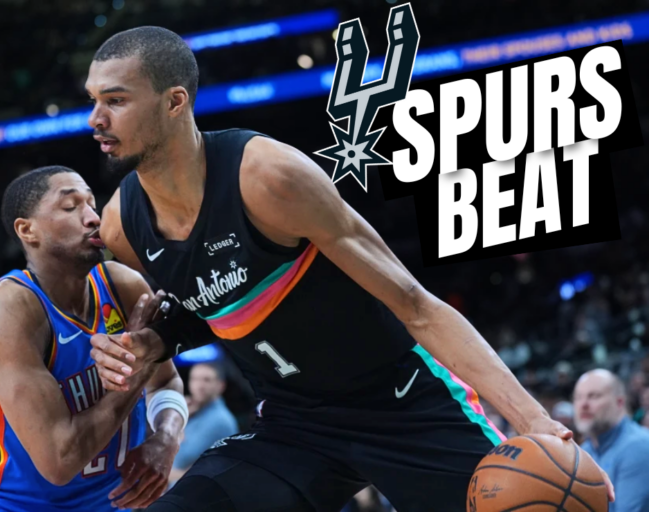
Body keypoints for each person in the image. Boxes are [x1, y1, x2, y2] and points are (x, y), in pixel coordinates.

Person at [84, 27, 614, 512]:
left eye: (116, 101)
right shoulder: (121, 226)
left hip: (402, 404)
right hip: (293, 425)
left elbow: (416, 305)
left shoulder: (268, 179)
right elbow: (217, 301)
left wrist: (534, 419)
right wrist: (160, 339)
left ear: (175, 102)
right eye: (94, 101)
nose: (96, 120)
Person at [0, 166, 189, 512]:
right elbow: (60, 461)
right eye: (70, 207)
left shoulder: (123, 286)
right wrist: (139, 366)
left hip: (116, 504)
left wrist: (167, 438)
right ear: (27, 230)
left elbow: (167, 382)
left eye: (92, 204)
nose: (93, 218)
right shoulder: (6, 311)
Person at [574, 369, 649, 512]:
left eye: (594, 396)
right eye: (578, 397)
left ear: (619, 402)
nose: (583, 404)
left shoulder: (640, 447)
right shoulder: (583, 451)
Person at [169, 363, 238, 484]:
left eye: (207, 380)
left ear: (221, 385)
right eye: (194, 379)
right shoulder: (194, 411)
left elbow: (180, 458)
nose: (199, 385)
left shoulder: (220, 420)